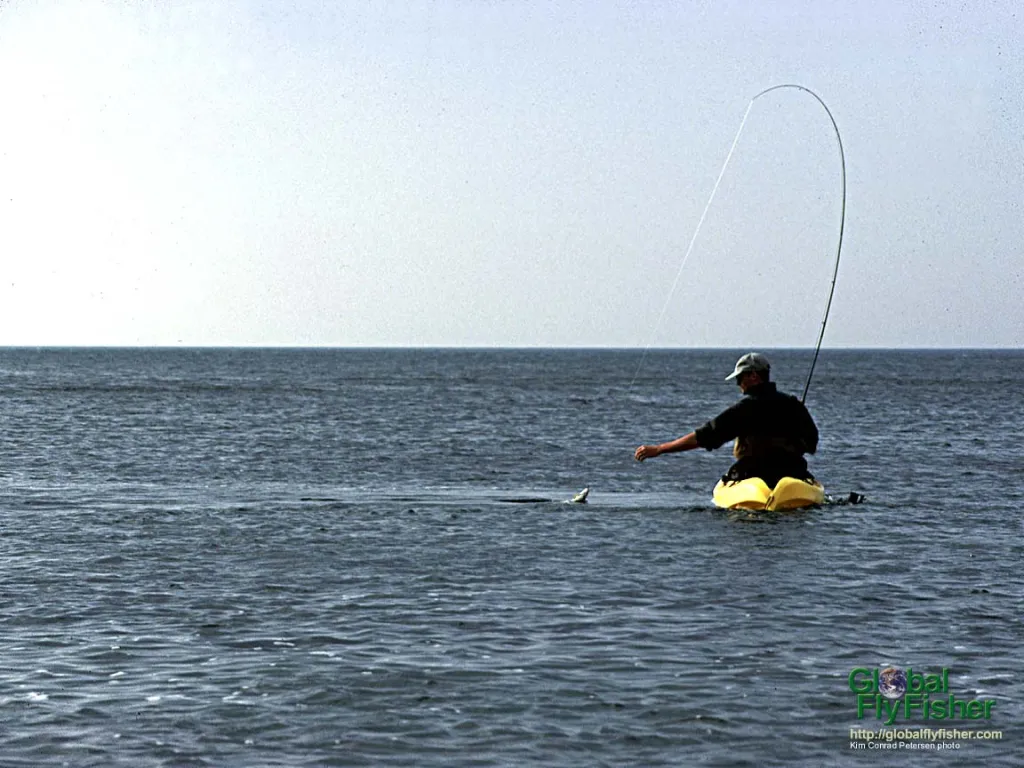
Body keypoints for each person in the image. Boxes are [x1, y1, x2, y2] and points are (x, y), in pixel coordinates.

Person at [634, 353, 818, 488]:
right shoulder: (794, 406)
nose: (738, 384)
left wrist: (660, 449)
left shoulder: (744, 409)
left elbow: (705, 436)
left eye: (740, 378)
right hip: (794, 474)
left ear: (753, 376)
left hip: (752, 476)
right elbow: (812, 443)